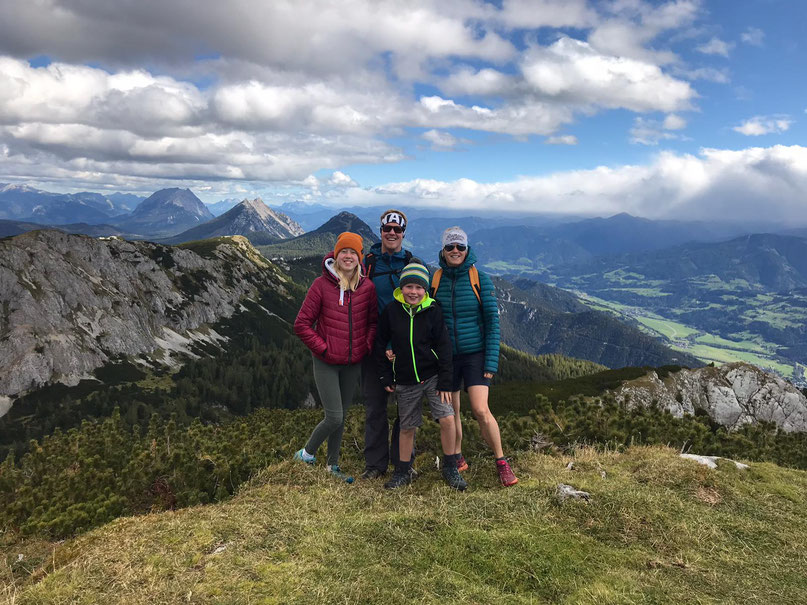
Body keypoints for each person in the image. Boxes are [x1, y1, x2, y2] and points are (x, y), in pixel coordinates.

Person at [431, 226, 518, 487]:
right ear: (443, 250)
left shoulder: (479, 279)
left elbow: (492, 323)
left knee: (480, 409)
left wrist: (491, 361)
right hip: (447, 357)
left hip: (476, 355)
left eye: (460, 247)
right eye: (450, 247)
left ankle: (501, 461)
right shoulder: (434, 279)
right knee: (452, 410)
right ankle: (457, 457)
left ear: (467, 249)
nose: (455, 251)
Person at [293, 232, 377, 483]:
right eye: (344, 252)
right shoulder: (321, 285)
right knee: (334, 416)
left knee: (342, 414)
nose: (348, 256)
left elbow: (373, 322)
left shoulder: (368, 288)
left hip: (353, 362)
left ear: (359, 257)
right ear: (336, 255)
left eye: (353, 252)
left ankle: (333, 466)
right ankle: (306, 454)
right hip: (327, 361)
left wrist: (365, 345)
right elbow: (302, 324)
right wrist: (324, 349)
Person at [375, 260, 466, 491]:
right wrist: (386, 376)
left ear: (425, 290)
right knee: (407, 427)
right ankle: (403, 471)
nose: (413, 292)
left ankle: (450, 466)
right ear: (401, 287)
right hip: (405, 379)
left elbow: (444, 347)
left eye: (418, 287)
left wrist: (446, 380)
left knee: (447, 419)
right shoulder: (392, 311)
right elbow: (379, 343)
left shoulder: (433, 310)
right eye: (409, 287)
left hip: (434, 376)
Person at [360, 209, 414, 479]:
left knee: (407, 410)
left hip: (407, 348)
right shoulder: (367, 263)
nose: (392, 233)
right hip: (375, 347)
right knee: (375, 408)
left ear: (404, 234)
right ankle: (375, 465)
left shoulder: (412, 264)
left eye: (397, 230)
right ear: (380, 231)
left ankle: (403, 464)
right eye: (387, 229)